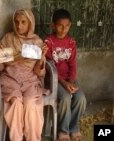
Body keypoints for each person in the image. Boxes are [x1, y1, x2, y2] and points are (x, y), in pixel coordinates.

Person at [0, 9, 49, 141]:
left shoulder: (37, 42)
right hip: (10, 78)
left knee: (31, 103)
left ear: (30, 23)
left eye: (23, 22)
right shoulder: (8, 38)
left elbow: (39, 72)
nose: (19, 26)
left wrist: (42, 57)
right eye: (17, 22)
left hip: (30, 80)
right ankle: (16, 138)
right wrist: (15, 58)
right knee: (16, 103)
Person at [45, 9, 87, 141]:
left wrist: (72, 81)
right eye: (60, 25)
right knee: (65, 97)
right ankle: (63, 131)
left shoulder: (71, 42)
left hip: (69, 80)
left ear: (70, 25)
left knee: (81, 99)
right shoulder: (48, 42)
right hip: (53, 79)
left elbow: (73, 64)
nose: (63, 29)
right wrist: (64, 83)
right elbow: (50, 67)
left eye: (67, 26)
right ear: (53, 25)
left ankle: (73, 128)